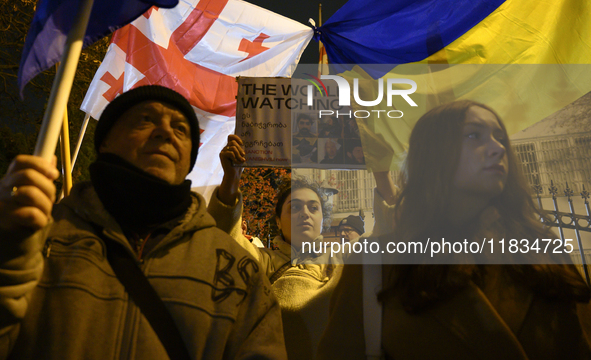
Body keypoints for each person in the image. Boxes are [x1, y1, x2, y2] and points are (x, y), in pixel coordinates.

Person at [0, 85, 287, 360]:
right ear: (105, 140)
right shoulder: (34, 236)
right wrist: (9, 255)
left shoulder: (236, 268)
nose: (165, 132)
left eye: (181, 129)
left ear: (188, 157)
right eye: (145, 120)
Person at [317, 100, 591, 359]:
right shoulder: (375, 264)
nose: (498, 148)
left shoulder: (543, 248)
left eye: (499, 136)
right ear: (434, 154)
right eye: (474, 136)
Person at [208, 135, 343, 360]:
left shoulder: (345, 261)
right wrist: (231, 181)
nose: (305, 214)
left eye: (313, 208)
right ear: (278, 221)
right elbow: (224, 241)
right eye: (295, 207)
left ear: (322, 220)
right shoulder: (261, 262)